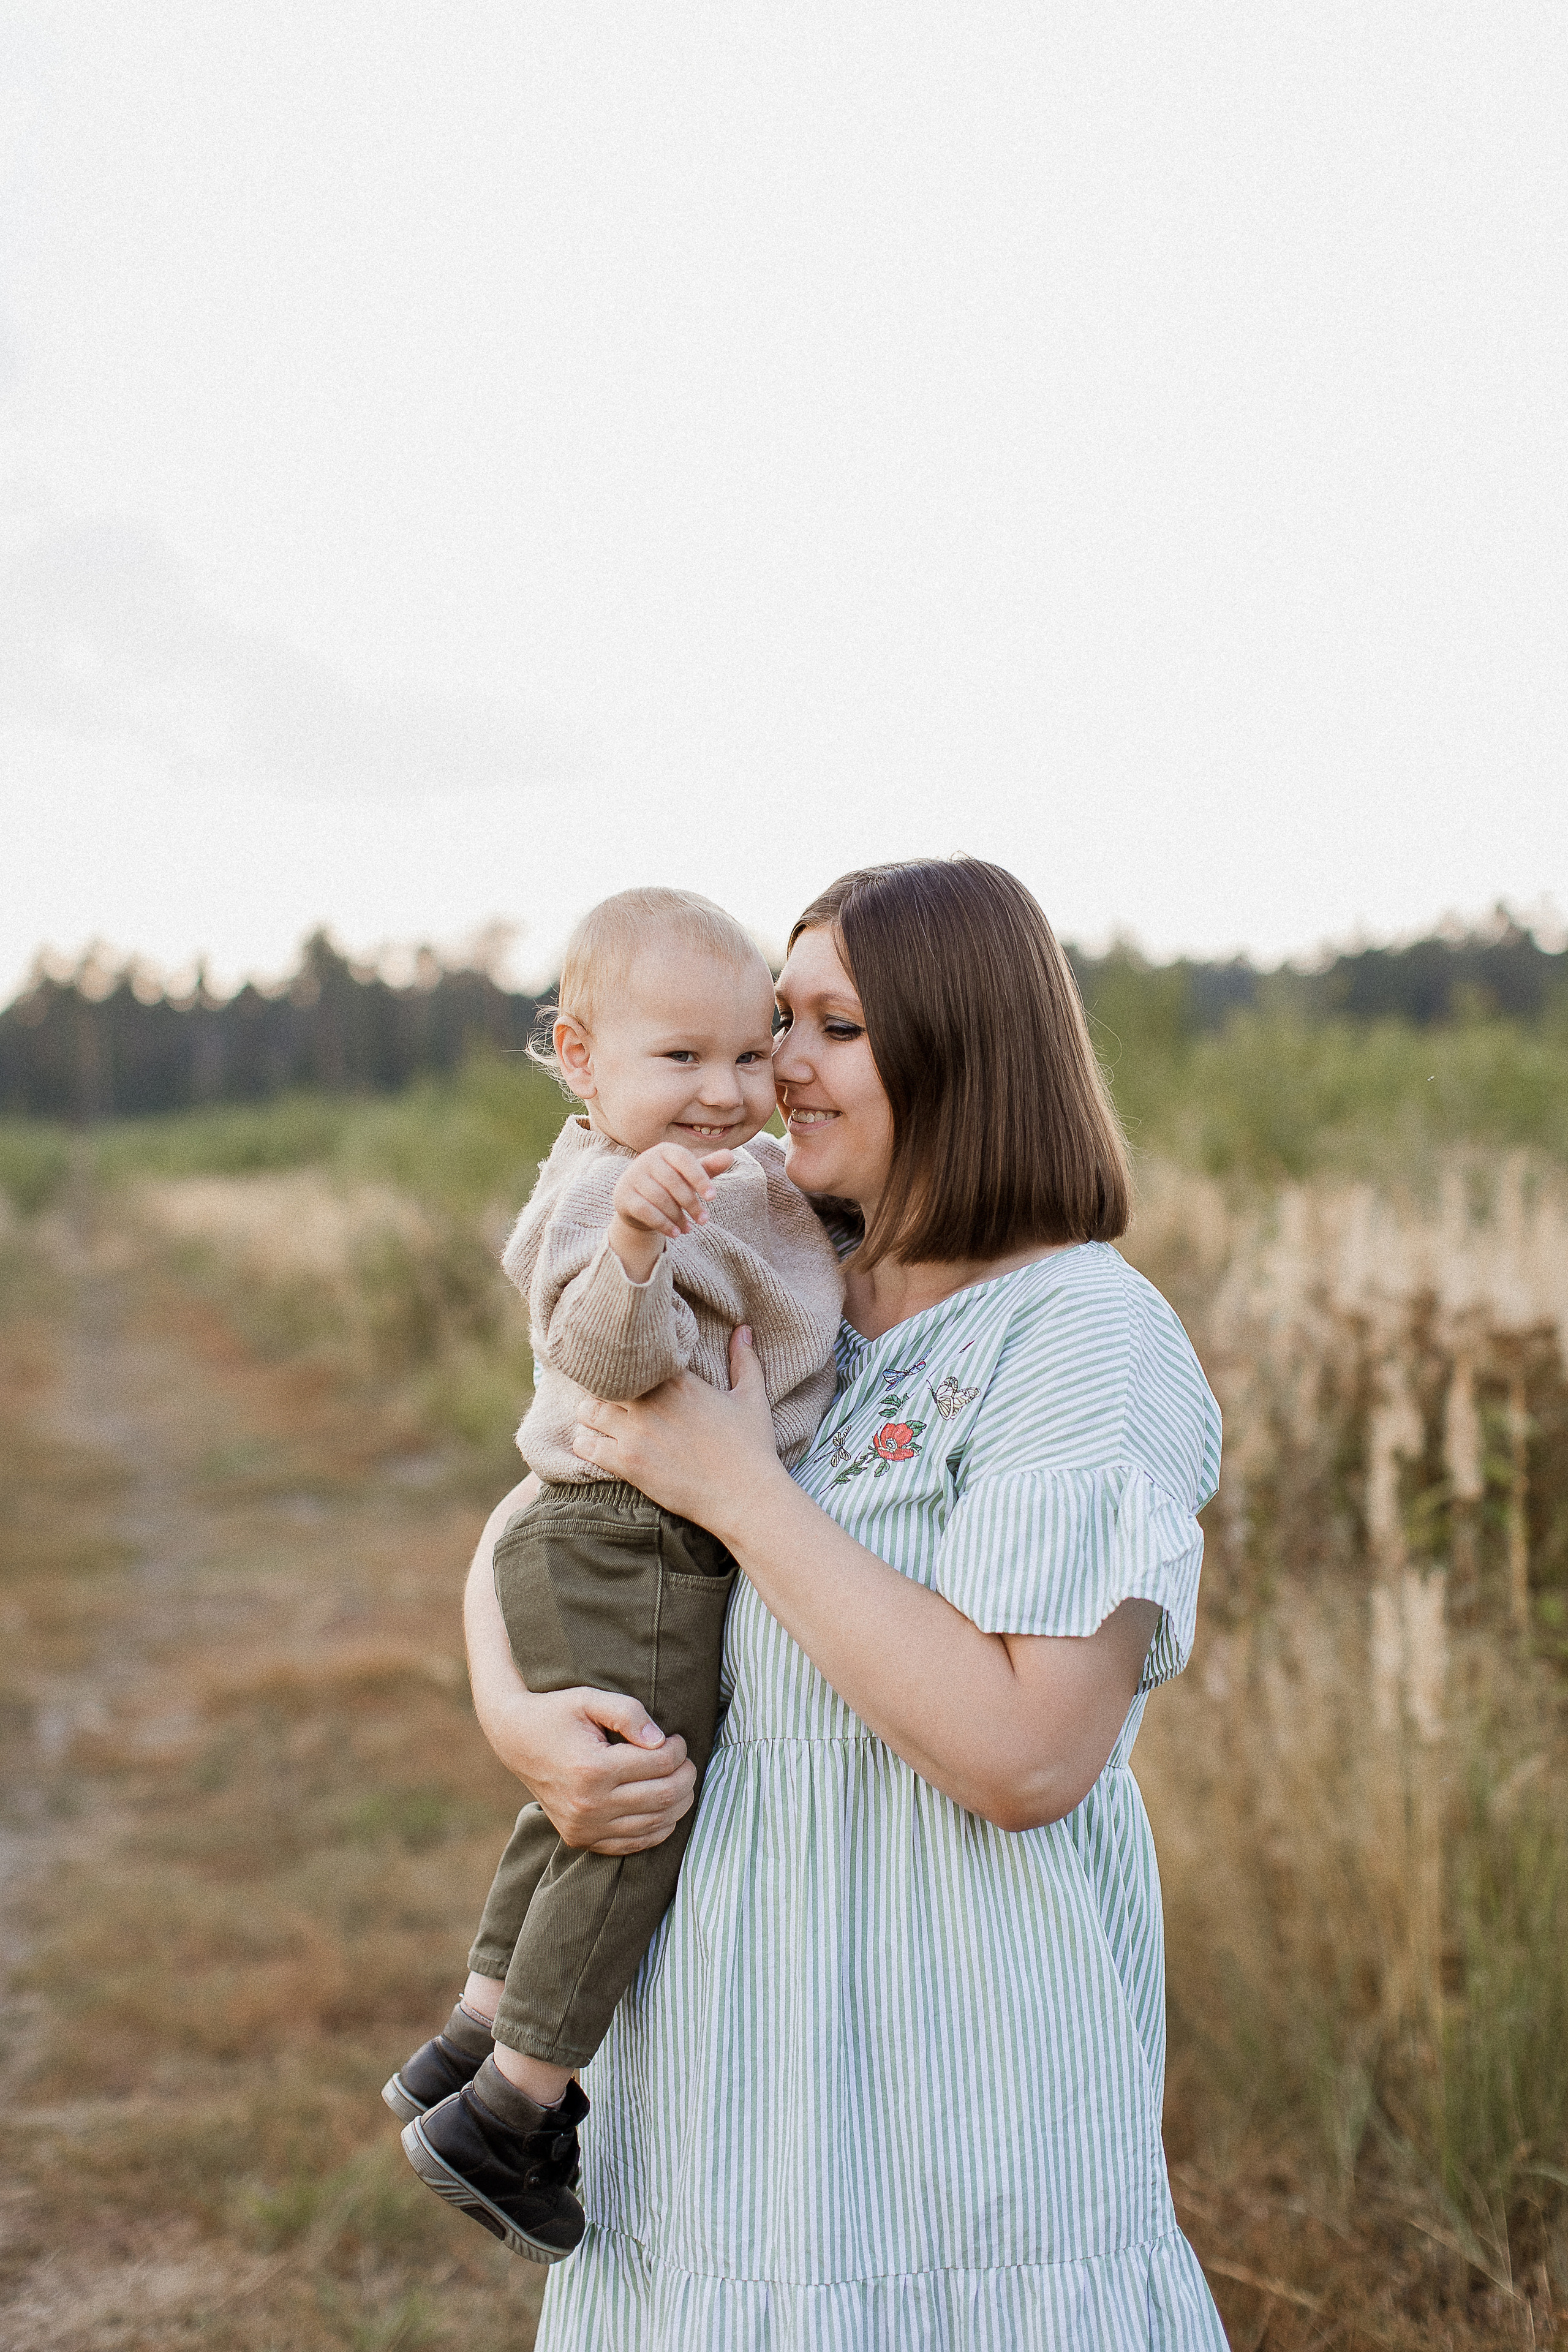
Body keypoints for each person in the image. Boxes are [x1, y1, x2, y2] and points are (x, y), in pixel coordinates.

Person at [464, 857, 1229, 2348]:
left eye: (827, 1029)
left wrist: (740, 1490)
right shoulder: (784, 1285)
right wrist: (516, 1716)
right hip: (717, 2109)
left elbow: (1028, 1756)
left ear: (959, 1045)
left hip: (954, 2133)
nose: (774, 1072)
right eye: (771, 1026)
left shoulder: (1077, 1336)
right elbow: (544, 1500)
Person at [385, 887, 843, 2264]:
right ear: (579, 1059)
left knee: (594, 1781)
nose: (722, 1092)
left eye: (746, 1056)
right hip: (622, 1537)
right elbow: (604, 1358)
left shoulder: (731, 1173)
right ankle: (513, 2109)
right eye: (678, 1060)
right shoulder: (609, 1190)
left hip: (597, 1532)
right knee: (640, 1801)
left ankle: (472, 2030)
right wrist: (641, 1243)